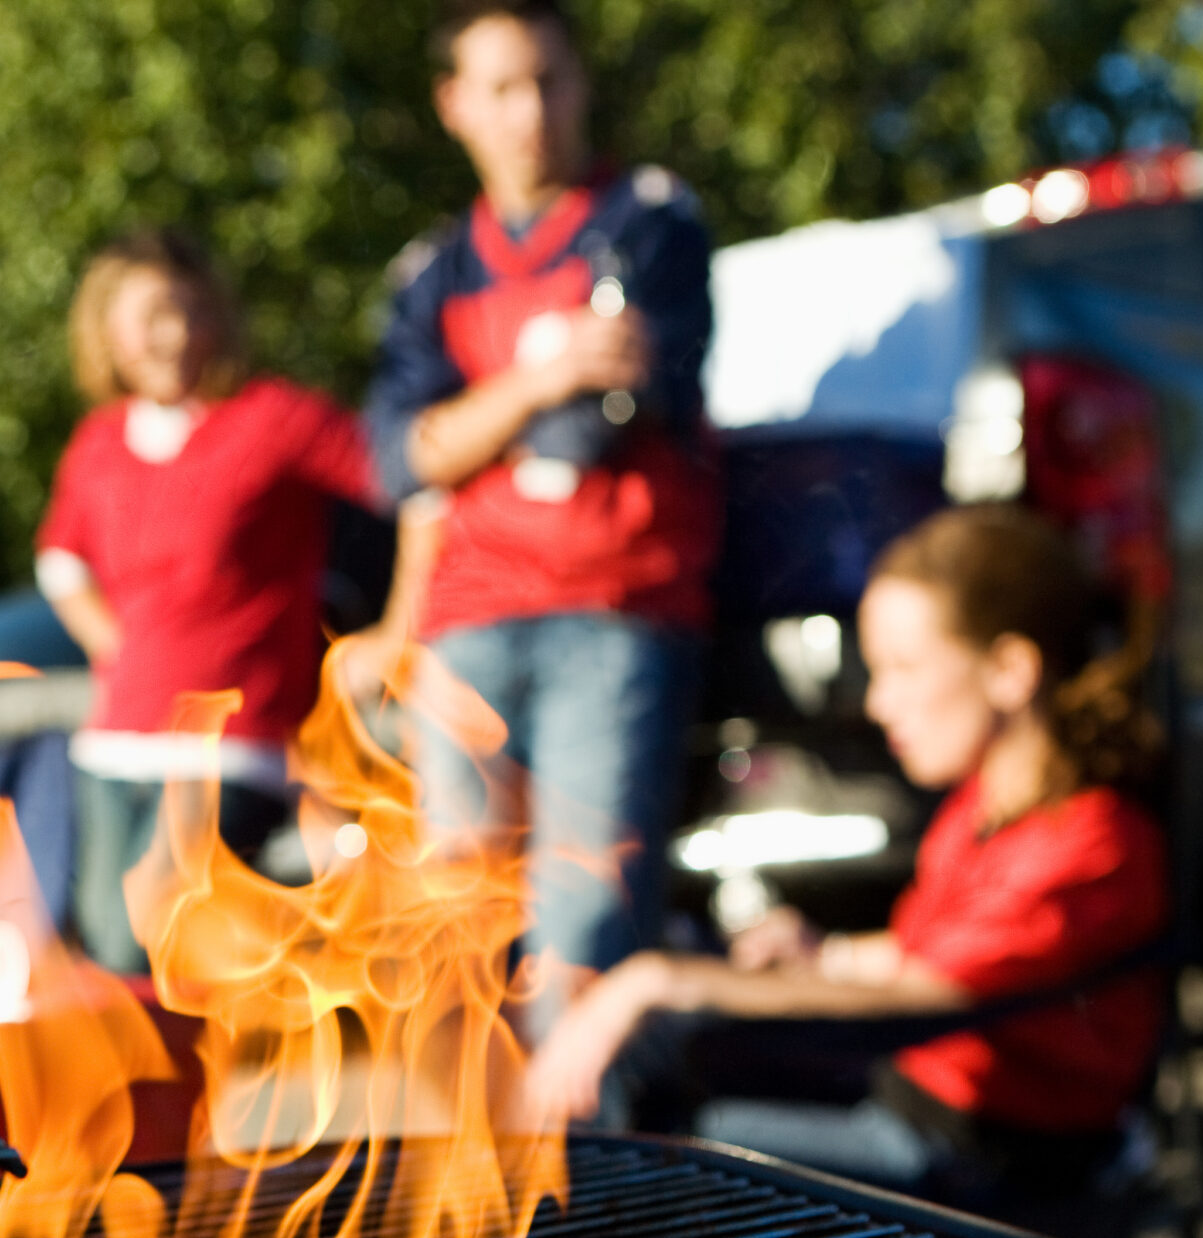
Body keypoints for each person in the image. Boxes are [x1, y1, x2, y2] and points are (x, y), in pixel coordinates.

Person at [525, 504, 1171, 1206]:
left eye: (902, 668)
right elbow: (924, 952)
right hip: (915, 1100)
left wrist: (665, 979)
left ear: (1010, 669)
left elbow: (920, 992)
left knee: (669, 1154)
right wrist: (821, 951)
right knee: (653, 1065)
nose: (877, 702)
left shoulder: (1091, 842)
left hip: (985, 1154)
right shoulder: (983, 806)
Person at [362, 0, 719, 1030]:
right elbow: (396, 462)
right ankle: (475, 1190)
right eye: (503, 87)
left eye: (550, 80)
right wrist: (535, 380)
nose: (532, 112)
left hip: (614, 614)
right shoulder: (431, 272)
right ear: (453, 105)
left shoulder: (650, 221)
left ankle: (595, 1186)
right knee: (453, 944)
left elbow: (607, 414)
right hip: (462, 627)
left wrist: (468, 429)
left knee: (579, 942)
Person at [38, 228, 378, 972]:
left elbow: (408, 480)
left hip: (232, 741)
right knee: (104, 947)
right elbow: (60, 560)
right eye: (152, 313)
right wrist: (115, 645)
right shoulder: (98, 442)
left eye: (190, 311)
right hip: (115, 741)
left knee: (139, 937)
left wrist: (396, 630)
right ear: (109, 329)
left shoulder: (274, 418)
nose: (173, 333)